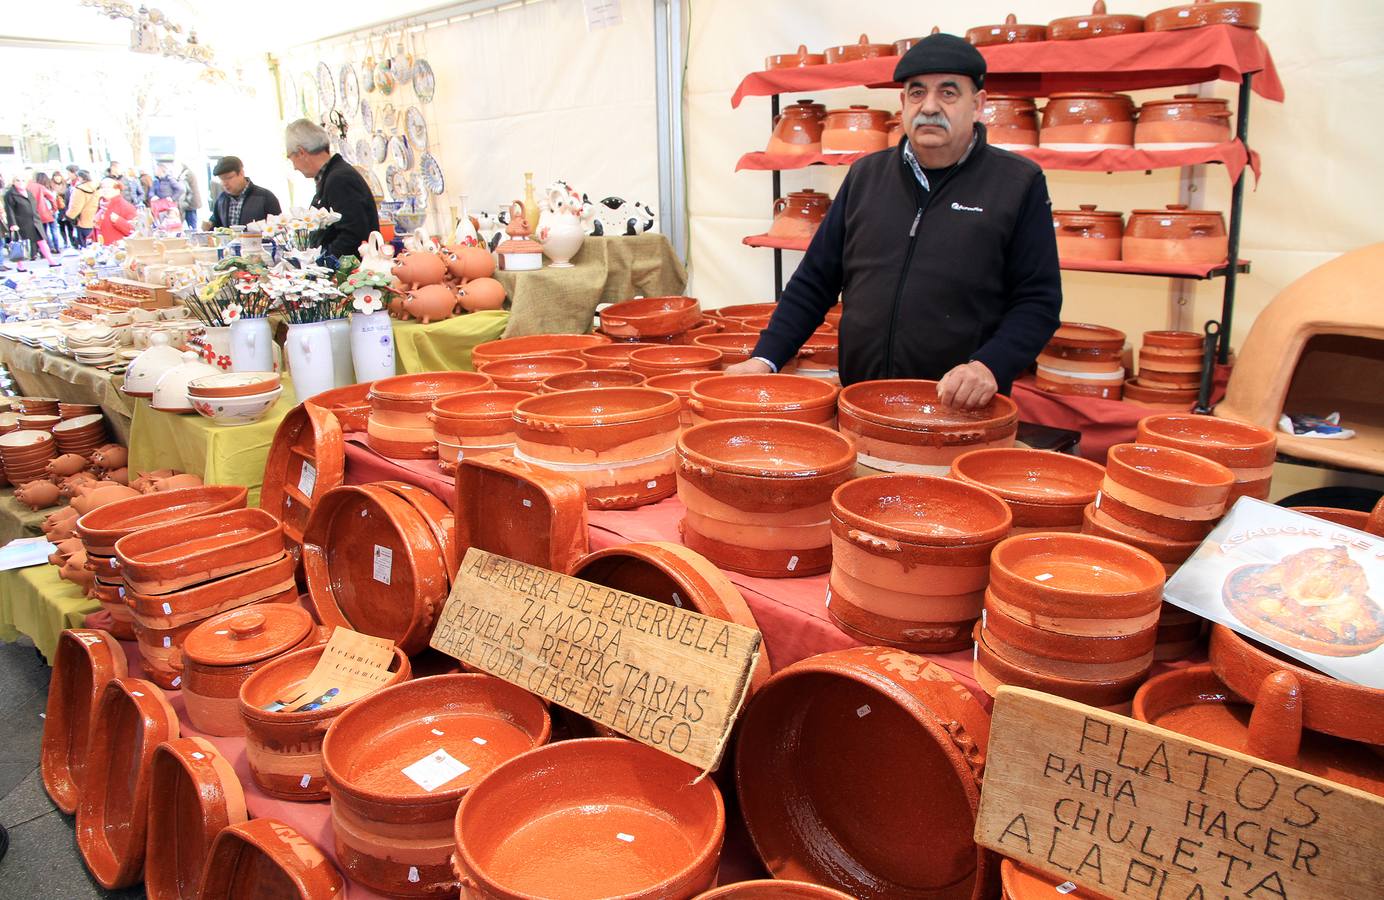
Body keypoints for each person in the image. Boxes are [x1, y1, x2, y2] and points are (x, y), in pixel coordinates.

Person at [727, 33, 1062, 410]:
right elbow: (815, 281)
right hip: (862, 403)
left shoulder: (1017, 183)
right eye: (917, 93)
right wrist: (766, 357)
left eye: (948, 92)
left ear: (978, 104)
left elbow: (1038, 301)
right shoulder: (865, 176)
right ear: (903, 103)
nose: (930, 106)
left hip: (960, 410)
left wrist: (989, 366)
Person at [284, 118, 378, 257]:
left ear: (301, 152)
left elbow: (353, 236)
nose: (294, 167)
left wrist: (320, 260)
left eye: (290, 158)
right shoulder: (333, 176)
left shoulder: (339, 179)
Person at [208, 156, 281, 229]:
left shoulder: (265, 197)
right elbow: (216, 225)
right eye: (221, 179)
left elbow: (279, 228)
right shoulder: (221, 199)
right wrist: (209, 225)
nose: (224, 183)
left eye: (229, 178)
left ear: (241, 173)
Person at [5, 172, 59, 268]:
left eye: (23, 180)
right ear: (13, 182)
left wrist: (39, 217)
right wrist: (13, 224)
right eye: (18, 180)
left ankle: (51, 261)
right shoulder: (10, 194)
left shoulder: (28, 192)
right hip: (20, 223)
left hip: (35, 221)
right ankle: (20, 266)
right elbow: (9, 210)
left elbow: (34, 206)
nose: (20, 182)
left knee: (42, 241)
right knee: (19, 245)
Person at [94, 178, 137, 245]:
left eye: (108, 187)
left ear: (117, 190)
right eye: (102, 187)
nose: (104, 190)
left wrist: (118, 221)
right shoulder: (100, 206)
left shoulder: (126, 207)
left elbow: (134, 231)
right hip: (102, 247)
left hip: (117, 248)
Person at [65, 170, 98, 247]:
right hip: (96, 220)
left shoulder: (79, 190)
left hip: (84, 222)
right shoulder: (97, 186)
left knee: (85, 247)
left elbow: (75, 207)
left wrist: (69, 217)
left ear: (80, 178)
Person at [29, 172, 60, 251]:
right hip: (50, 212)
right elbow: (52, 198)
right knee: (54, 230)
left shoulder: (34, 187)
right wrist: (54, 209)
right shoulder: (49, 187)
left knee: (44, 231)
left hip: (40, 212)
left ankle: (50, 247)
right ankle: (57, 247)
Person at [52, 171, 76, 249]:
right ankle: (65, 241)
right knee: (61, 226)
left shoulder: (66, 185)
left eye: (58, 176)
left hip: (67, 207)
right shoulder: (51, 186)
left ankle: (72, 241)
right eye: (55, 177)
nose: (57, 178)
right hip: (59, 209)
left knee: (70, 226)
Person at [177, 162, 204, 231]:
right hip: (191, 202)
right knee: (192, 224)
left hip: (189, 203)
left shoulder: (186, 175)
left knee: (192, 226)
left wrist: (183, 203)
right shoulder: (188, 173)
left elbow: (184, 190)